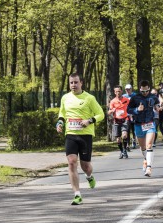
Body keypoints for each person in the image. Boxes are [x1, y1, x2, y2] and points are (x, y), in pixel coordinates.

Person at [55, 73, 104, 203]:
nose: (73, 85)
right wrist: (60, 122)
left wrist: (90, 120)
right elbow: (62, 113)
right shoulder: (65, 98)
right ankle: (77, 194)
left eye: (76, 82)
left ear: (81, 83)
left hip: (85, 135)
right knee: (71, 162)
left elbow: (101, 114)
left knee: (85, 166)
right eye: (71, 83)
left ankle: (89, 176)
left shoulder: (89, 98)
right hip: (71, 134)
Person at [128, 80, 161, 176]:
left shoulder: (153, 97)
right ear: (140, 89)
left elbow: (157, 104)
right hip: (138, 124)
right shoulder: (135, 98)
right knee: (142, 147)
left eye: (146, 91)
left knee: (149, 145)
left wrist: (158, 108)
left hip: (150, 123)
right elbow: (128, 110)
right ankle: (146, 159)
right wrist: (137, 110)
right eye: (143, 91)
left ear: (149, 89)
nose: (145, 93)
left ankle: (149, 168)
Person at [107, 85, 131, 159]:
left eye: (119, 91)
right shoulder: (113, 101)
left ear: (121, 91)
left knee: (124, 135)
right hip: (116, 120)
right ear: (114, 92)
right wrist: (112, 110)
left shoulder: (127, 100)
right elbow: (108, 112)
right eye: (116, 91)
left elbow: (131, 108)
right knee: (118, 139)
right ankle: (121, 151)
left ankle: (125, 150)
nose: (118, 93)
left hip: (125, 119)